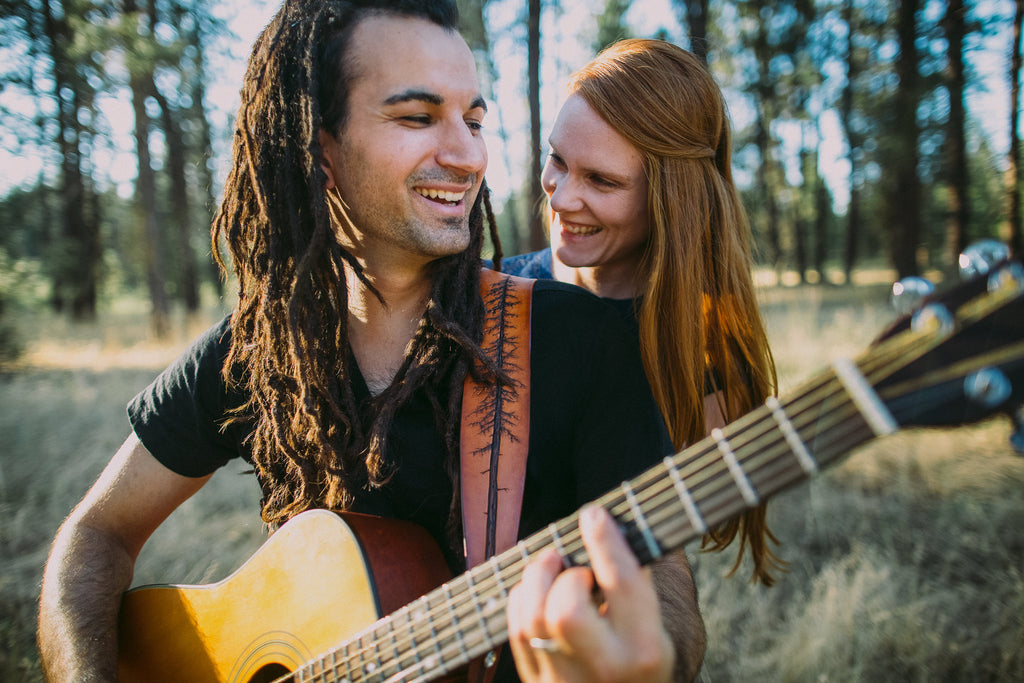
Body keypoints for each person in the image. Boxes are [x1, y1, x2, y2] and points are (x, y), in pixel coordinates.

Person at [37, 3, 706, 682]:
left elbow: (669, 592)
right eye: (418, 117)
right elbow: (93, 536)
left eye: (473, 120)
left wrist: (657, 661)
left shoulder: (586, 343)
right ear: (319, 146)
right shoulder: (259, 350)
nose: (468, 154)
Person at [497, 39, 782, 586]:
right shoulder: (493, 296)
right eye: (557, 159)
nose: (559, 197)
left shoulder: (703, 349)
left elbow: (674, 538)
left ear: (669, 199)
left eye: (601, 180)